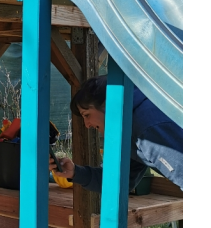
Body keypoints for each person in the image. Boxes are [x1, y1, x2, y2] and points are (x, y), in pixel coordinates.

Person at [51, 76, 183, 192]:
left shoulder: (147, 128)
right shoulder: (127, 128)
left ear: (107, 104)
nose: (87, 125)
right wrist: (75, 172)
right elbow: (118, 180)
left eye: (87, 115)